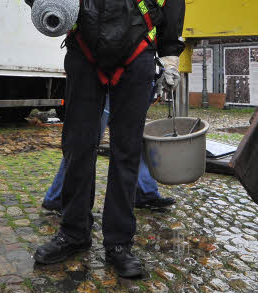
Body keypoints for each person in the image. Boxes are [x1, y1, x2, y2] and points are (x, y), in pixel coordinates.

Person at [25, 0, 185, 278]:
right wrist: (54, 0)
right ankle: (74, 232)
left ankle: (119, 242)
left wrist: (170, 55)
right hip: (85, 54)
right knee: (78, 146)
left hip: (136, 57)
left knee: (127, 151)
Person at [42, 91, 175, 212]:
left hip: (129, 78)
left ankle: (145, 192)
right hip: (106, 81)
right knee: (86, 142)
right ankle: (58, 197)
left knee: (134, 138)